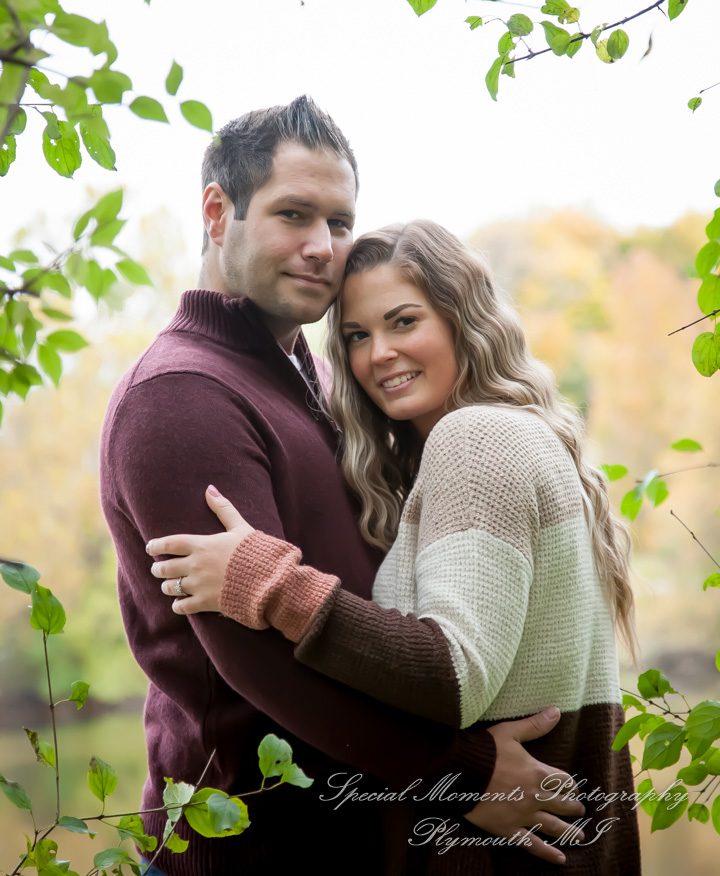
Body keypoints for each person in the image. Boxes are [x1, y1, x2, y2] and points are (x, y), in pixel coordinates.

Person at [100, 97, 585, 876]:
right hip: (251, 854)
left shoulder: (315, 378)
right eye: (295, 215)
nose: (323, 247)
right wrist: (462, 772)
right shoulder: (183, 396)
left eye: (339, 221)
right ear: (218, 212)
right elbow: (255, 661)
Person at [147, 220, 642, 874]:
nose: (378, 353)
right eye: (357, 336)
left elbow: (453, 676)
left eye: (404, 322)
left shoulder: (477, 441)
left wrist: (267, 582)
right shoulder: (512, 440)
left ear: (465, 321)